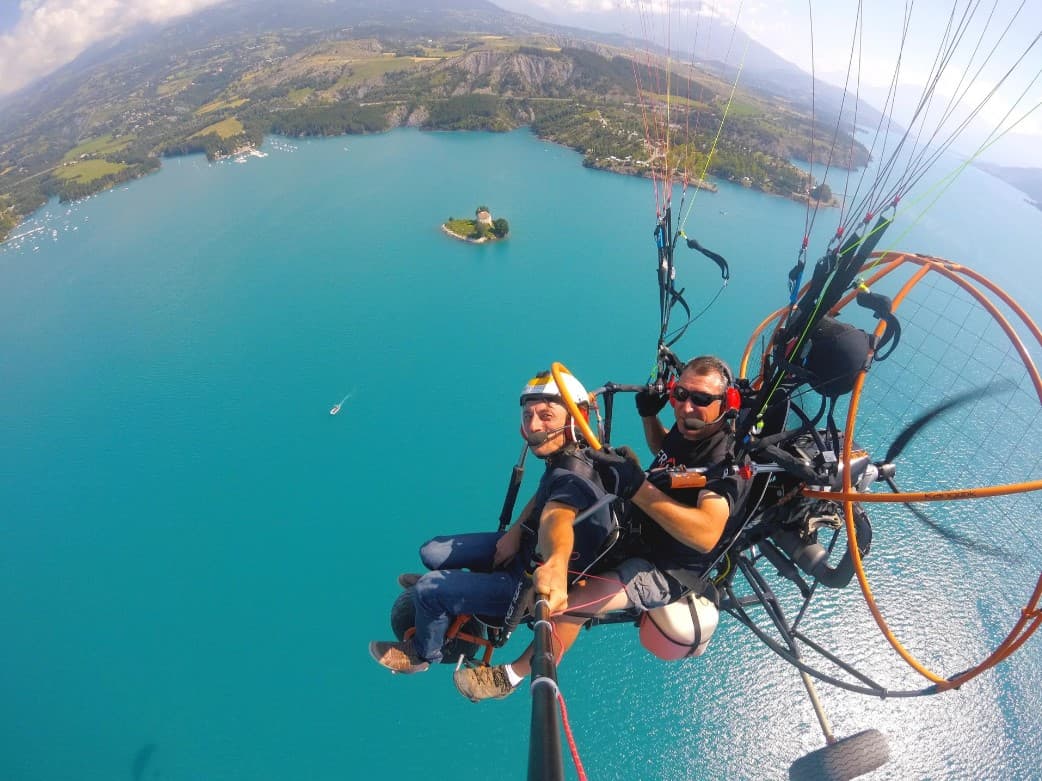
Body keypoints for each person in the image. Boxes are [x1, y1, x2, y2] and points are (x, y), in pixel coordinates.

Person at [453, 355, 749, 701]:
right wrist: (648, 415)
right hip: (639, 528)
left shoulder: (726, 460)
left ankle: (510, 677)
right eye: (679, 394)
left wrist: (637, 486)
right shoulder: (691, 430)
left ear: (726, 404)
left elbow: (705, 535)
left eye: (700, 400)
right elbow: (666, 449)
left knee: (574, 605)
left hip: (665, 567)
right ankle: (481, 604)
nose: (685, 408)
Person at [369, 368, 614, 680]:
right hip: (524, 547)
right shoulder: (572, 456)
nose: (534, 426)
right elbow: (544, 496)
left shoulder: (573, 480)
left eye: (546, 415)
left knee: (429, 591)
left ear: (573, 419)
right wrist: (516, 531)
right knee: (432, 551)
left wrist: (555, 562)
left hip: (522, 587)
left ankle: (422, 652)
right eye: (528, 415)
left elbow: (558, 516)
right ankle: (452, 589)